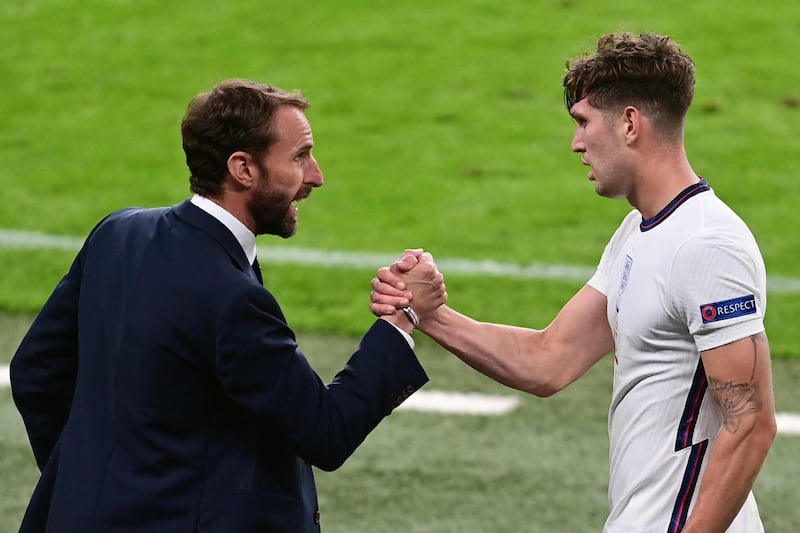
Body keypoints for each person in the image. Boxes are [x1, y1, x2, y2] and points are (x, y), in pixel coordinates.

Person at [371, 32, 776, 532]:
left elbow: (751, 421)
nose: (576, 143)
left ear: (630, 123)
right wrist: (428, 314)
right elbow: (549, 360)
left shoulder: (707, 246)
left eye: (584, 123)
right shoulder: (639, 231)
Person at [11, 79, 445, 532]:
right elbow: (326, 431)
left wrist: (90, 481)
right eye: (299, 157)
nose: (316, 176)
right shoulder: (233, 299)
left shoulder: (119, 234)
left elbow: (36, 372)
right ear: (243, 169)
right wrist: (403, 318)